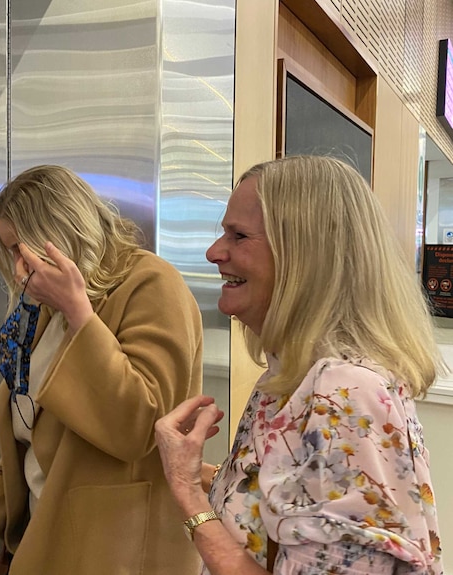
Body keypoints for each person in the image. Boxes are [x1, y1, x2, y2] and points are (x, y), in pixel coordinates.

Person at [155, 155, 444, 575]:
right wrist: (194, 472)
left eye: (238, 236)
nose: (214, 252)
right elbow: (297, 504)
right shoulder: (290, 376)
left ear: (303, 256)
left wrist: (188, 495)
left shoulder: (344, 393)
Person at [0, 165, 204, 574]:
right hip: (48, 531)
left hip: (116, 548)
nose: (16, 268)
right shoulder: (45, 310)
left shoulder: (151, 282)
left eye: (17, 250)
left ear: (56, 234)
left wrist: (80, 314)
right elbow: (28, 436)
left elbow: (142, 423)